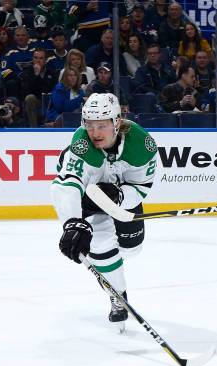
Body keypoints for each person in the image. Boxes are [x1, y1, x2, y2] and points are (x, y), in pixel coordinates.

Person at [50, 93, 158, 330]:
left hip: (123, 199)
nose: (95, 132)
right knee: (100, 245)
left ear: (117, 122)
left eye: (101, 125)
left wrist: (120, 196)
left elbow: (141, 187)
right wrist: (71, 222)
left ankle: (109, 264)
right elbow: (65, 185)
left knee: (131, 249)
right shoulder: (81, 144)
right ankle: (118, 296)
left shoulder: (141, 143)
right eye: (89, 125)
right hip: (90, 199)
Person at [21, 48, 58, 127]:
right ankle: (34, 129)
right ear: (32, 59)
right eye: (36, 58)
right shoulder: (27, 72)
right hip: (34, 101)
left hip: (49, 101)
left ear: (45, 60)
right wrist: (36, 75)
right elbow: (26, 92)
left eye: (41, 58)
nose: (38, 60)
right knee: (30, 97)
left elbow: (48, 89)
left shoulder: (51, 73)